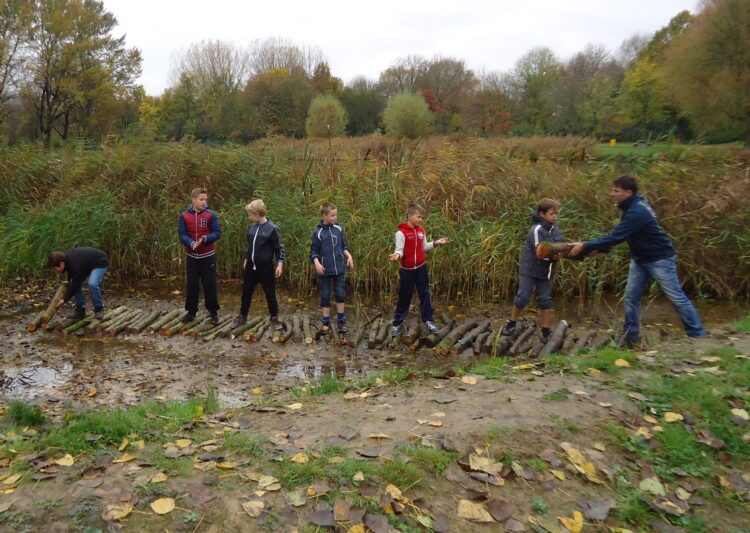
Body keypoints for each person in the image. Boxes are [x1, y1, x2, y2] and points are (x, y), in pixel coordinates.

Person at [569, 175, 705, 347]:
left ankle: (697, 335)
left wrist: (584, 245)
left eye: (616, 191)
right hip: (640, 259)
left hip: (660, 259)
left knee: (676, 297)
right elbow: (625, 235)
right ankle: (631, 335)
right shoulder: (633, 207)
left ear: (628, 192)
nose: (612, 194)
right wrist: (597, 248)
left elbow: (617, 236)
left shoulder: (637, 212)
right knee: (630, 297)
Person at [501, 198, 564, 344]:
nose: (554, 216)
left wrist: (563, 252)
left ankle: (546, 330)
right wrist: (556, 255)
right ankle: (511, 323)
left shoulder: (556, 229)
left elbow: (561, 246)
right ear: (542, 214)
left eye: (556, 214)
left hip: (546, 271)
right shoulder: (536, 230)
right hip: (529, 269)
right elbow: (540, 252)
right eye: (551, 214)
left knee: (545, 300)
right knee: (522, 297)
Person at [389, 203, 450, 337]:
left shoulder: (421, 231)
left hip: (421, 268)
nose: (420, 220)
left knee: (425, 294)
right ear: (410, 216)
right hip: (407, 270)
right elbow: (399, 249)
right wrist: (396, 256)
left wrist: (436, 243)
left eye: (422, 217)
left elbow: (424, 247)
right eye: (418, 217)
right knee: (404, 296)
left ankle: (428, 321)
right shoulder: (401, 233)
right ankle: (397, 323)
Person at [231, 199, 285, 330]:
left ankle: (274, 317)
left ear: (257, 214)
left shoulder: (272, 229)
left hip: (265, 267)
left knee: (269, 292)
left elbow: (279, 247)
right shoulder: (252, 227)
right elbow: (250, 246)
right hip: (251, 265)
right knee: (246, 292)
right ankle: (242, 316)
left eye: (250, 214)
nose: (249, 217)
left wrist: (280, 264)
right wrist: (246, 259)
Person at [178, 187, 222, 324]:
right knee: (191, 285)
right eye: (201, 199)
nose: (204, 202)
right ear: (193, 200)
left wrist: (206, 238)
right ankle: (191, 312)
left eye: (205, 200)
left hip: (207, 256)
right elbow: (182, 235)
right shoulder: (184, 216)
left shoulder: (211, 215)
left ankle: (213, 312)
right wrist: (191, 243)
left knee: (210, 284)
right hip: (192, 257)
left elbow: (217, 233)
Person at [310, 202, 354, 334]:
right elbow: (313, 252)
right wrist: (317, 263)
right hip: (324, 270)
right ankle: (325, 321)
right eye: (332, 215)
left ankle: (341, 320)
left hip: (339, 269)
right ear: (324, 216)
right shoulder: (318, 233)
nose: (335, 217)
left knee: (340, 293)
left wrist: (349, 256)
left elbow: (343, 246)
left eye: (336, 215)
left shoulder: (339, 229)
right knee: (325, 295)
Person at [48, 247, 109, 320]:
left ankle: (99, 309)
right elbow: (70, 270)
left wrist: (64, 299)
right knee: (74, 282)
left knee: (92, 283)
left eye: (55, 269)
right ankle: (81, 310)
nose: (55, 271)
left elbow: (76, 284)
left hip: (100, 262)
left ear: (61, 264)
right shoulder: (66, 258)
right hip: (87, 264)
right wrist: (69, 280)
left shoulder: (75, 264)